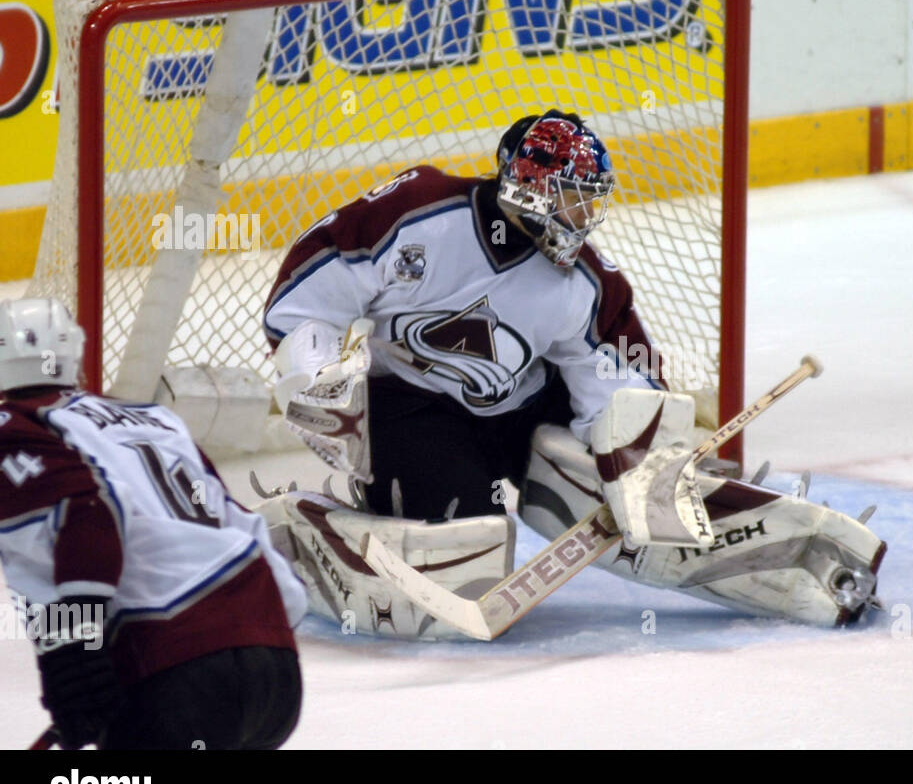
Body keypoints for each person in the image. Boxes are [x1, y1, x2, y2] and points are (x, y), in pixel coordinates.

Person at [264, 109, 663, 522]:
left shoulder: (586, 280)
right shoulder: (416, 211)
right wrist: (318, 379)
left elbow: (618, 368)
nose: (584, 216)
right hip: (412, 410)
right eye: (573, 196)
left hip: (522, 412)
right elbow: (306, 301)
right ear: (531, 183)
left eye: (589, 199)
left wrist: (638, 449)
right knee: (467, 533)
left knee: (625, 468)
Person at [0, 298, 307, 749]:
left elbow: (88, 517)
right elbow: (239, 522)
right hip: (276, 674)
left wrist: (74, 656)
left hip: (173, 672)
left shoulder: (15, 426)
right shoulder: (154, 418)